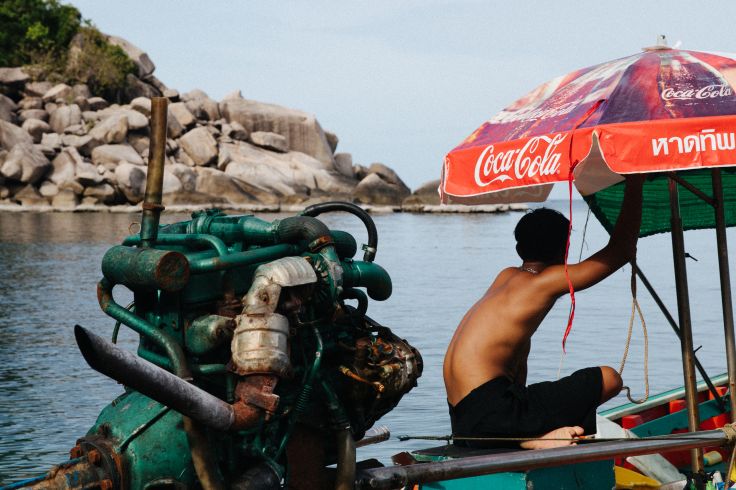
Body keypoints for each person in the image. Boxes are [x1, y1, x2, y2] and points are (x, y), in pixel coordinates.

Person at [443, 175, 644, 450]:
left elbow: (517, 360)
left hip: (464, 422)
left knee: (523, 367)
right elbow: (621, 250)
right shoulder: (541, 283)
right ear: (564, 249)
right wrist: (636, 183)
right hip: (492, 415)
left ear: (519, 249)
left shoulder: (505, 277)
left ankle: (524, 437)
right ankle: (529, 440)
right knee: (610, 378)